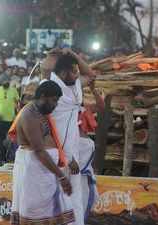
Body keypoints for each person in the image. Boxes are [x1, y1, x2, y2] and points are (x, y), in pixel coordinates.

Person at [40, 48, 98, 225]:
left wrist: (73, 54)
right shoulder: (49, 89)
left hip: (72, 152)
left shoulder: (76, 86)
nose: (77, 74)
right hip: (56, 154)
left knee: (74, 198)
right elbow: (47, 128)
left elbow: (91, 75)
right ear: (63, 73)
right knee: (54, 198)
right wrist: (66, 157)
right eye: (73, 72)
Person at [10, 81, 75, 224]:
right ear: (43, 96)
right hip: (34, 174)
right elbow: (39, 151)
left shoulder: (41, 111)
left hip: (46, 173)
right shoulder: (29, 115)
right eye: (54, 100)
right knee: (36, 216)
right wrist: (62, 177)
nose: (55, 105)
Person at [0, 74, 20, 163]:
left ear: (9, 81)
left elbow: (17, 103)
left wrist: (17, 113)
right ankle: (2, 158)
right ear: (1, 82)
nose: (5, 83)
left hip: (11, 120)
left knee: (11, 140)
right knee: (0, 140)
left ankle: (10, 158)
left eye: (7, 81)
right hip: (0, 120)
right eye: (3, 81)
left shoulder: (13, 90)